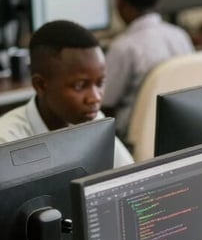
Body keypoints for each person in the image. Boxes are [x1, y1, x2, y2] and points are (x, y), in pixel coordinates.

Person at [0, 20, 133, 167]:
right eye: (79, 86)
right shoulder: (6, 143)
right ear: (41, 85)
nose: (95, 98)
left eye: (99, 83)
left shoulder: (93, 121)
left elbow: (130, 177)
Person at [102, 0, 194, 141]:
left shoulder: (124, 47)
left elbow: (103, 104)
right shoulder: (180, 36)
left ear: (119, 1)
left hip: (133, 142)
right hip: (181, 135)